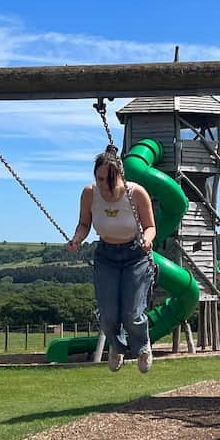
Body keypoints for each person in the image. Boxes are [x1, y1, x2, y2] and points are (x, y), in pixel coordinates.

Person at [67, 150, 157, 373]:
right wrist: (77, 239)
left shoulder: (136, 193)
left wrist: (147, 239)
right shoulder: (89, 194)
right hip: (106, 255)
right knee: (108, 314)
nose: (104, 184)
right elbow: (84, 223)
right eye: (99, 179)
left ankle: (143, 346)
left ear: (120, 176)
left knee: (132, 313)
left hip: (135, 255)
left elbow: (150, 226)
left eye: (110, 179)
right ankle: (117, 347)